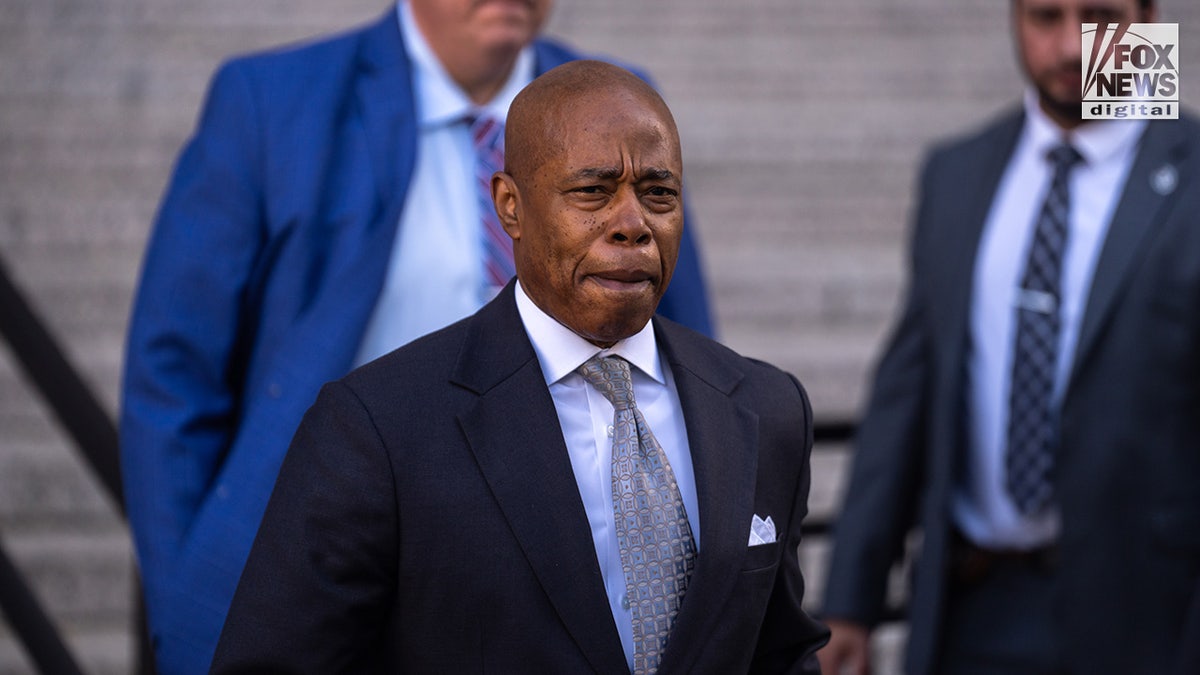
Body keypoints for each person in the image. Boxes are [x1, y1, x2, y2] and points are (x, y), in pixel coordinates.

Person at [119, 2, 714, 672]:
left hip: (566, 566)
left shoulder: (620, 108)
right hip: (333, 556)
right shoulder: (271, 102)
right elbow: (173, 374)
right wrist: (187, 604)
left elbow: (679, 345)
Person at [209, 59, 828, 674]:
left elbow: (780, 654)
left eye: (658, 193)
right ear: (510, 206)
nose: (633, 225)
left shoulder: (766, 408)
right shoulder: (378, 428)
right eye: (593, 191)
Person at [817, 0, 1200, 674]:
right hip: (972, 609)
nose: (1073, 46)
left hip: (1147, 621)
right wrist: (852, 596)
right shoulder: (958, 172)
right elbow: (909, 390)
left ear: (1150, 19)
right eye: (1046, 16)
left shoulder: (1190, 169)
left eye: (1101, 17)